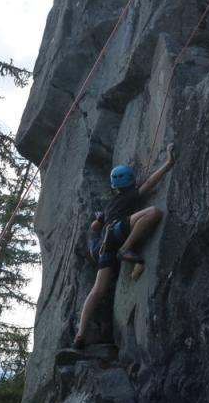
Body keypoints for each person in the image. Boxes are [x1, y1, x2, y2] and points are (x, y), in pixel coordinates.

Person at [72, 143, 175, 349]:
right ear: (130, 180)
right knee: (153, 212)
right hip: (117, 234)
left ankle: (80, 335)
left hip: (103, 246)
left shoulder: (109, 206)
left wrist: (98, 223)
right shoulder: (130, 195)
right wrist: (168, 163)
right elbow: (150, 183)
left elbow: (94, 226)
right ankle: (126, 249)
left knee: (97, 291)